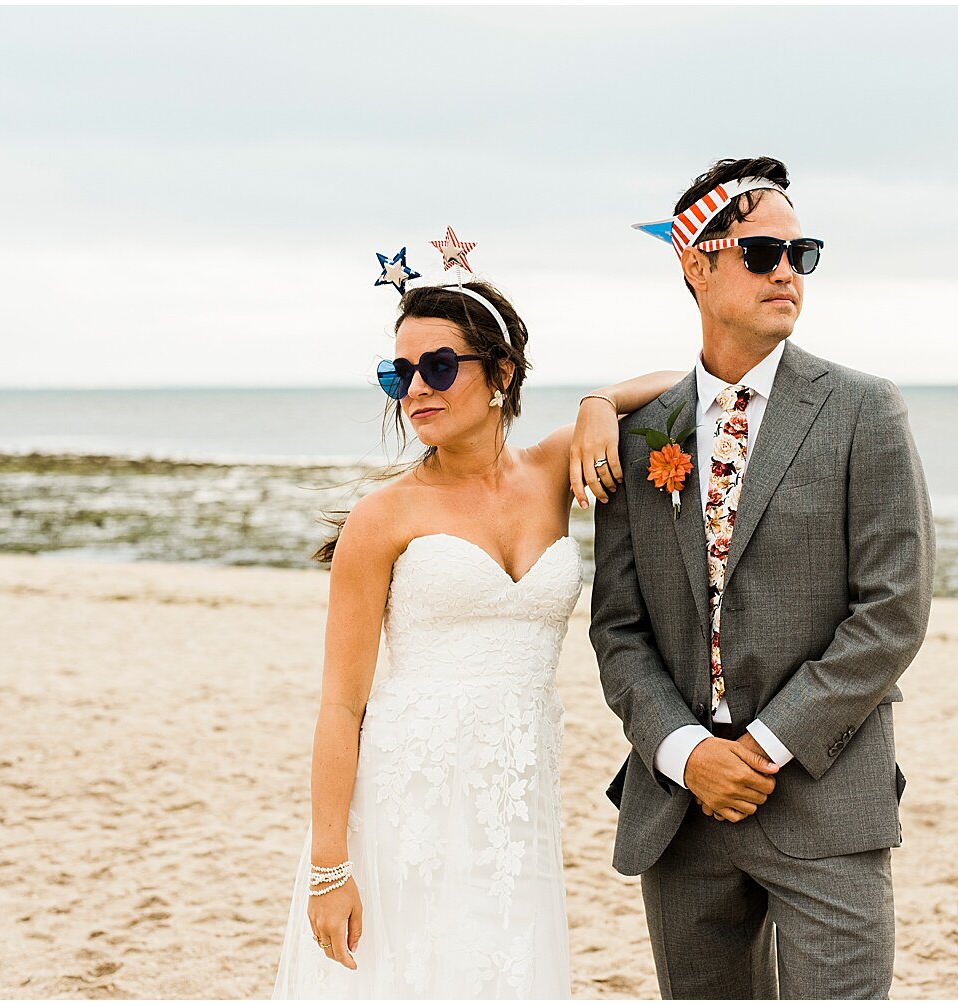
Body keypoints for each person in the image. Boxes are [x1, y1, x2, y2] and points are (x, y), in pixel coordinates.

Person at [271, 268, 681, 998]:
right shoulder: (382, 517)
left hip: (515, 801)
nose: (416, 389)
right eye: (399, 373)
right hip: (408, 799)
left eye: (436, 366)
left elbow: (683, 383)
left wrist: (599, 401)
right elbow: (340, 705)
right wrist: (331, 866)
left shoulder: (556, 467)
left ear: (501, 374)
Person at [589, 156, 935, 999]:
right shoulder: (640, 437)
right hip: (680, 811)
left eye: (801, 253)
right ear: (695, 262)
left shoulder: (865, 409)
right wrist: (686, 752)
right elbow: (618, 629)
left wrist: (759, 747)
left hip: (824, 797)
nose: (787, 270)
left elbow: (892, 613)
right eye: (761, 252)